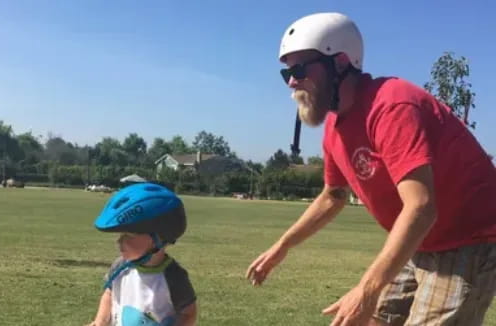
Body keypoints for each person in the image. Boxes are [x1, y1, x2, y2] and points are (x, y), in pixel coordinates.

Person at [246, 12, 496, 326]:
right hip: (423, 241)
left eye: (299, 70)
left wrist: (366, 289)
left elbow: (421, 207)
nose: (292, 82)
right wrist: (282, 246)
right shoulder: (336, 126)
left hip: (469, 239)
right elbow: (333, 197)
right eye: (287, 74)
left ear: (339, 63)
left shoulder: (391, 105)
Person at [86, 182, 197, 326]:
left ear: (158, 239)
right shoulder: (120, 267)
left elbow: (188, 313)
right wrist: (100, 321)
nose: (120, 241)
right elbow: (109, 293)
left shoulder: (174, 276)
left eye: (129, 235)